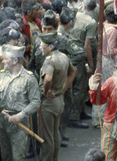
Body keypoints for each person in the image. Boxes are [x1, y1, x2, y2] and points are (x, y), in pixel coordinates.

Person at [0, 45, 41, 161]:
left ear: (15, 61)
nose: (3, 61)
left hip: (19, 122)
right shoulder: (2, 74)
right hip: (2, 119)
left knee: (18, 157)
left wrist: (21, 115)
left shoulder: (28, 78)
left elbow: (35, 102)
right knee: (5, 156)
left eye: (6, 59)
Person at [39, 32, 76, 161]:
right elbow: (73, 72)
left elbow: (48, 79)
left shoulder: (49, 61)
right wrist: (63, 89)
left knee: (48, 135)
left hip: (49, 102)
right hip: (59, 99)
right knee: (55, 132)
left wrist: (45, 91)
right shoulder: (64, 57)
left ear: (50, 47)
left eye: (42, 46)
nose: (40, 48)